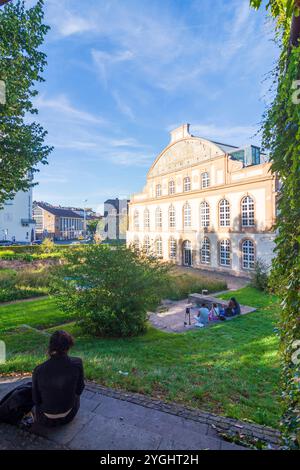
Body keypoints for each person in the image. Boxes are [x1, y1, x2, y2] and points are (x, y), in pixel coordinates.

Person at [32, 330, 85, 427]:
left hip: (45, 419)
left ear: (51, 346)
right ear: (69, 346)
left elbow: (36, 399)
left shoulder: (39, 370)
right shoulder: (77, 363)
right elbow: (80, 389)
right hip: (69, 415)